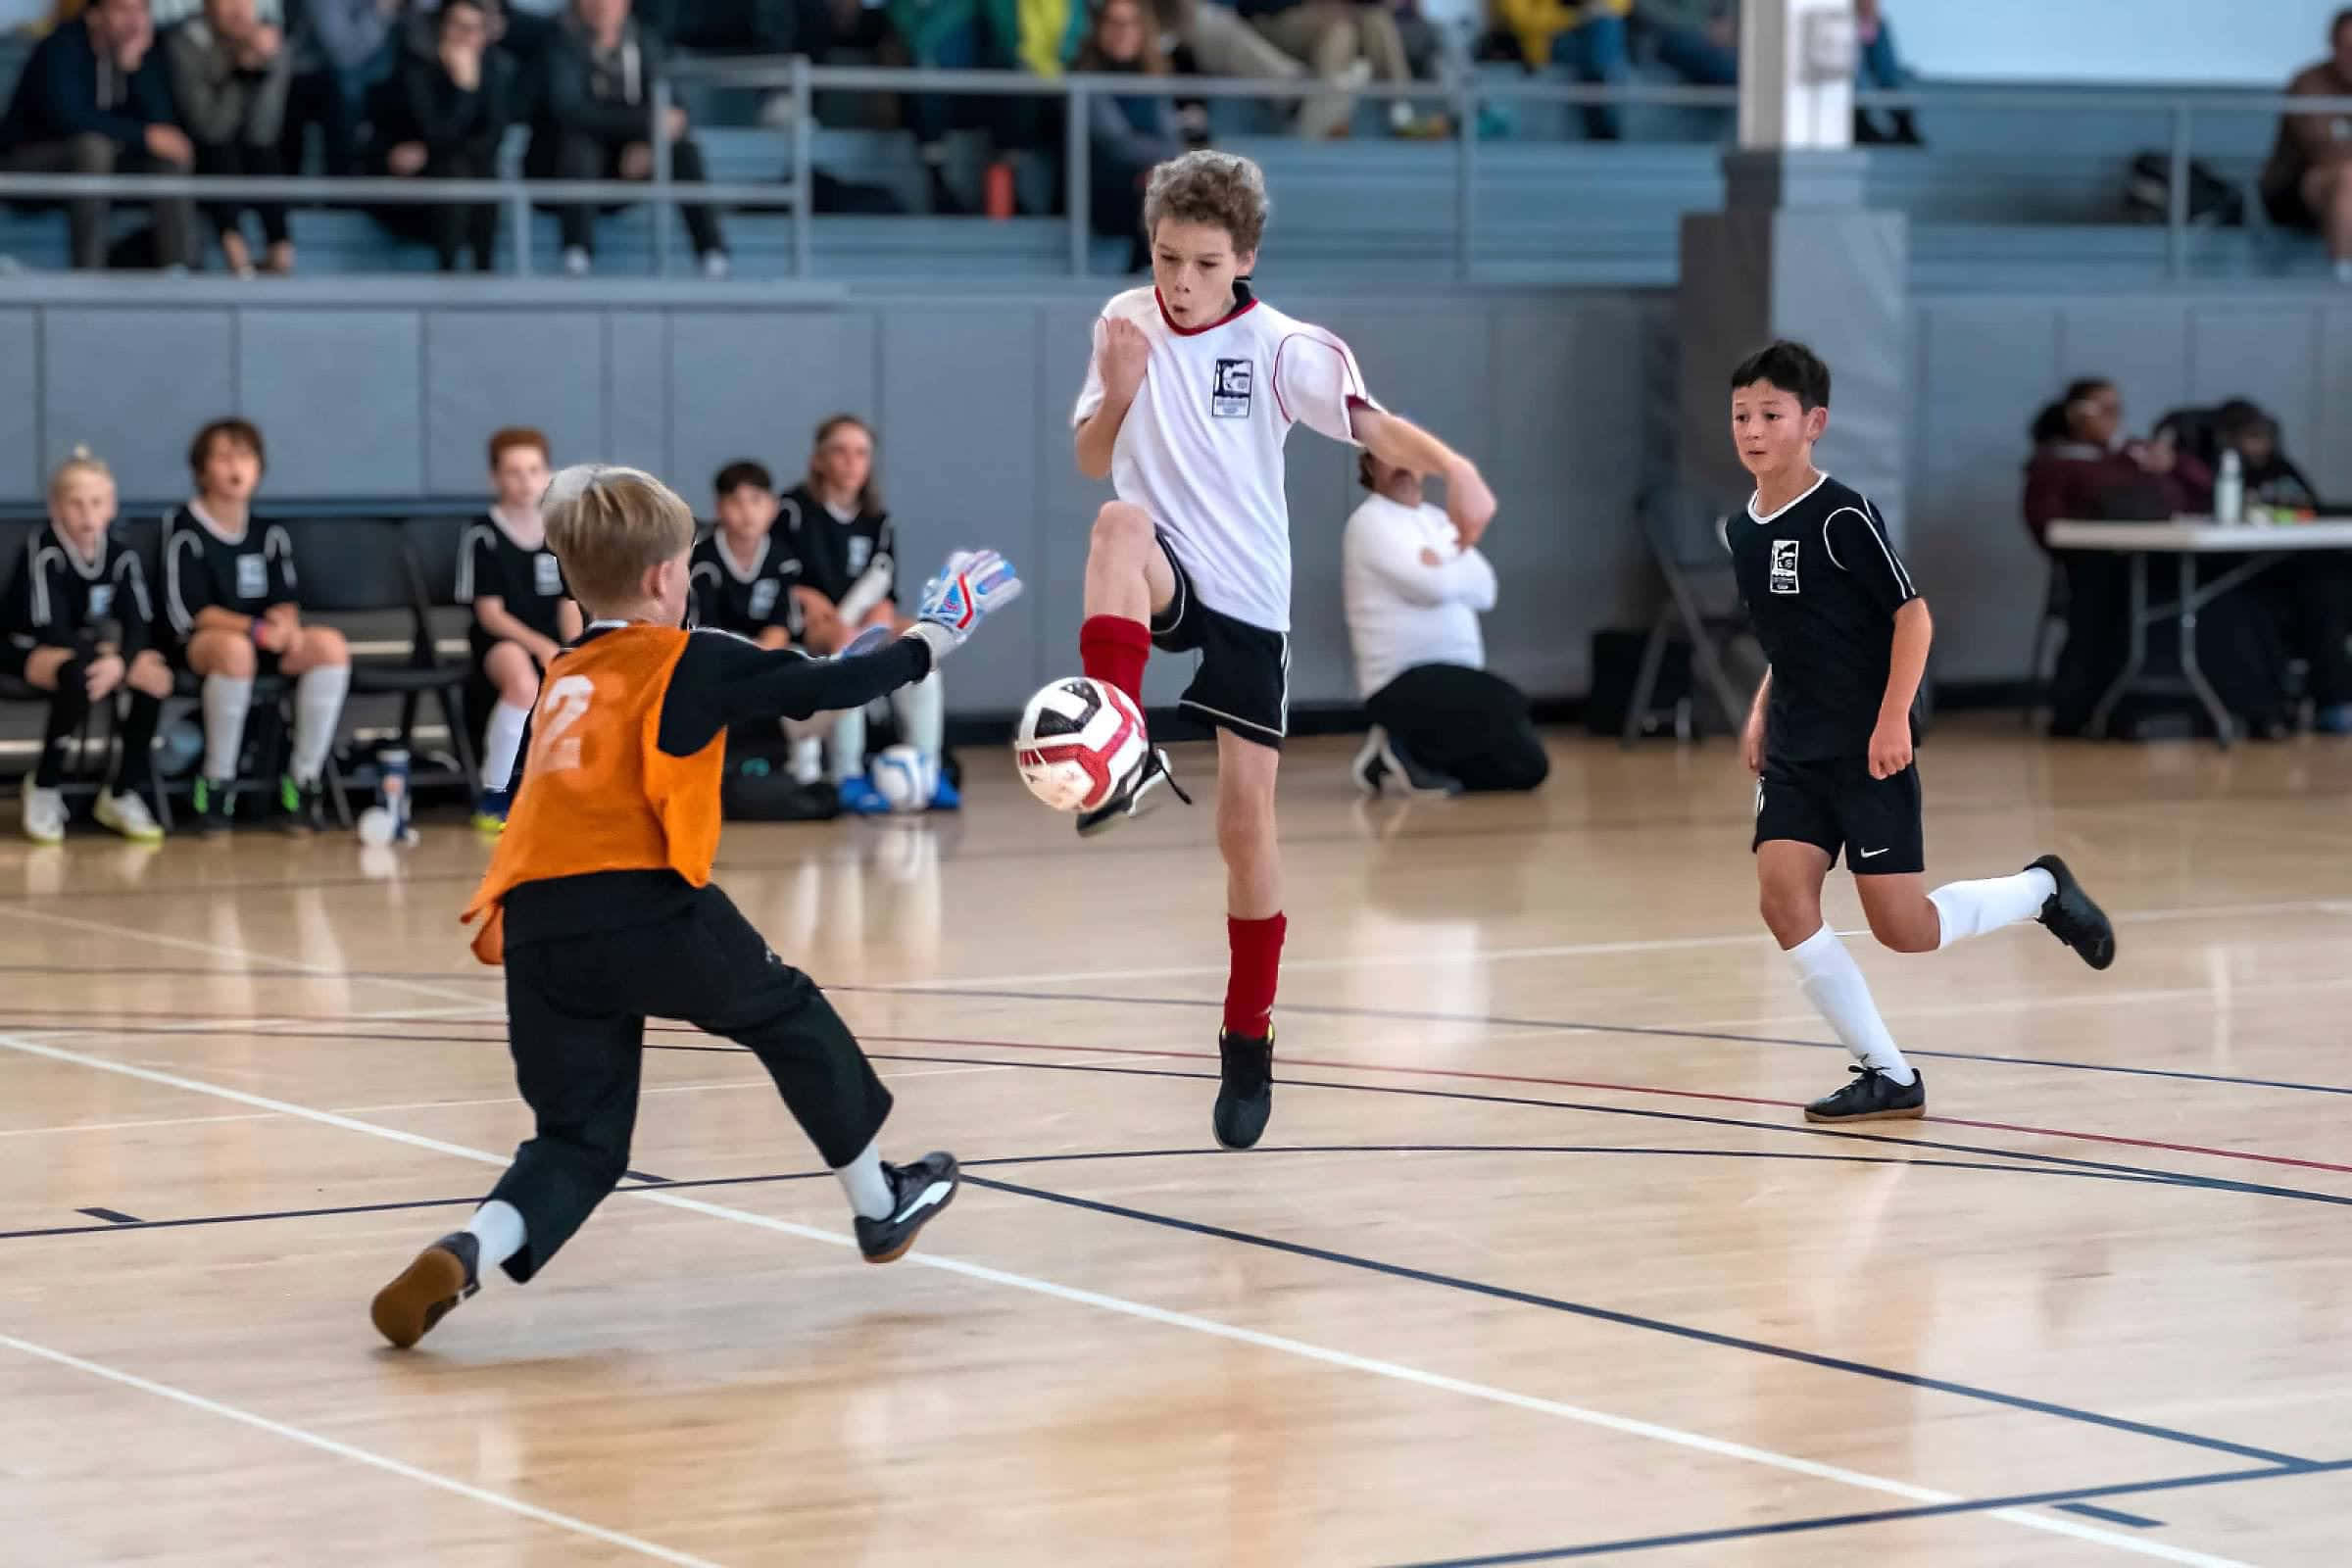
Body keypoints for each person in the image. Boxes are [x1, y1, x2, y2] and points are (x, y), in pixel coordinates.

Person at [367, 466, 1021, 1349]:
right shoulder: (688, 657)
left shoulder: (563, 676)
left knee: (580, 1142)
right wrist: (933, 636)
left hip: (536, 927)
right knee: (790, 1014)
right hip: (645, 903)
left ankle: (468, 1248)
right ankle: (878, 1203)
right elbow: (827, 685)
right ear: (662, 580)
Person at [1068, 149, 1495, 1149]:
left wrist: (1457, 464)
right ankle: (1115, 740)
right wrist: (1122, 392)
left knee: (1244, 825)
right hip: (1165, 566)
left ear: (1244, 257)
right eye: (1168, 257)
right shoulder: (1122, 323)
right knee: (1115, 526)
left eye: (1204, 263)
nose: (1180, 281)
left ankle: (1248, 1035)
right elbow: (1092, 457)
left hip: (1249, 598)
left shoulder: (1285, 347)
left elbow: (1374, 427)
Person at [1727, 341, 2114, 1124]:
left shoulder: (1842, 515)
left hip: (1868, 745)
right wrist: (1764, 706)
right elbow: (1790, 636)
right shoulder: (1742, 528)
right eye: (1741, 416)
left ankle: (2041, 891)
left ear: (1814, 423)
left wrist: (1894, 714)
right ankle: (1886, 1072)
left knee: (1904, 929)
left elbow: (1913, 615)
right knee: (1783, 901)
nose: (1754, 430)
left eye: (1772, 414)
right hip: (1799, 749)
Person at [161, 416, 351, 836]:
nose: (236, 465)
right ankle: (217, 782)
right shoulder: (183, 529)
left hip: (263, 639)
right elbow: (191, 611)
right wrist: (256, 630)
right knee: (236, 651)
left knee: (329, 647)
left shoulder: (269, 534)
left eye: (245, 455)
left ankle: (302, 781)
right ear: (202, 469)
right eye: (224, 455)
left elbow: (284, 598)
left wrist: (285, 626)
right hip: (205, 645)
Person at [1343, 449, 1545, 797]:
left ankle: (1398, 750)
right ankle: (1407, 749)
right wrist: (1452, 563)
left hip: (1457, 681)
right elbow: (1430, 587)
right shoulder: (1369, 522)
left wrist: (1438, 563)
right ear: (1371, 466)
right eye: (1390, 455)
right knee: (1508, 703)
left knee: (1528, 767)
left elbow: (1486, 589)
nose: (1404, 465)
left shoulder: (1436, 519)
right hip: (1399, 682)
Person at [782, 415, 956, 812]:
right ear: (819, 460)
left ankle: (927, 767)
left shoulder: (877, 520)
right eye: (840, 452)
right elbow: (786, 582)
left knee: (920, 644)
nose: (850, 462)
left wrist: (877, 626)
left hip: (860, 623)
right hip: (812, 627)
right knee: (849, 649)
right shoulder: (793, 510)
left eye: (861, 453)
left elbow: (885, 594)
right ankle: (847, 773)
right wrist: (818, 605)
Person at [1, 447, 169, 845]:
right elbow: (49, 629)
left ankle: (123, 791)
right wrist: (108, 659)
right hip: (23, 646)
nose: (87, 514)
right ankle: (44, 784)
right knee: (77, 672)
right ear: (56, 507)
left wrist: (123, 662)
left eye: (96, 503)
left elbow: (139, 625)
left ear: (111, 506)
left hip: (97, 652)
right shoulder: (43, 552)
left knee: (154, 676)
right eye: (75, 504)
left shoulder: (121, 555)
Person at [532, 0, 728, 277]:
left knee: (683, 150)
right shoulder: (560, 42)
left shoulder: (644, 42)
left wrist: (650, 142)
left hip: (629, 163)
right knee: (580, 145)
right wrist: (648, 124)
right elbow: (571, 110)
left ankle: (712, 252)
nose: (602, 6)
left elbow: (673, 109)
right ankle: (576, 251)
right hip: (568, 169)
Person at [0, 0, 195, 270]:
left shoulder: (146, 49)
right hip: (29, 164)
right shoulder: (62, 45)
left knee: (167, 157)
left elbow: (163, 126)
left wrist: (135, 70)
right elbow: (68, 117)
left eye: (141, 10)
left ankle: (181, 269)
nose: (134, 20)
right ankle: (90, 272)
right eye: (123, 10)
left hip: (104, 167)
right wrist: (143, 135)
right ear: (94, 16)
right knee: (93, 147)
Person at [459, 426, 580, 831]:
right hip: (502, 639)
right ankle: (494, 794)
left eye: (533, 470)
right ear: (495, 478)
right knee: (523, 683)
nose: (525, 481)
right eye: (513, 472)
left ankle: (569, 790)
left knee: (584, 679)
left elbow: (568, 603)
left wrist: (579, 647)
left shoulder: (559, 532)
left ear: (548, 474)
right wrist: (541, 646)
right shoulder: (482, 534)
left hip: (548, 638)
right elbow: (490, 614)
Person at [692, 460, 840, 789]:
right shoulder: (703, 559)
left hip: (764, 653)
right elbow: (706, 630)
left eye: (756, 501)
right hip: (720, 655)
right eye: (735, 501)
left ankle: (808, 767)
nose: (746, 512)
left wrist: (763, 655)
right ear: (719, 508)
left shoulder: (782, 560)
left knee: (802, 667)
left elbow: (780, 626)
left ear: (772, 508)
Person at [372, 0, 515, 271]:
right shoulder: (418, 69)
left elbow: (492, 139)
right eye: (458, 26)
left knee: (480, 170)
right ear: (442, 28)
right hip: (414, 193)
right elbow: (436, 131)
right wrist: (464, 91)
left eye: (473, 29)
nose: (465, 37)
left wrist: (468, 90)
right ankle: (448, 272)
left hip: (465, 178)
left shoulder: (494, 69)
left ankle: (484, 270)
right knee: (456, 169)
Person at [166, 0, 294, 276]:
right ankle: (237, 256)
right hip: (200, 153)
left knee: (265, 154)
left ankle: (281, 254)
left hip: (252, 152)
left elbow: (264, 129)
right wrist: (239, 73)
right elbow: (210, 126)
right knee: (220, 152)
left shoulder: (269, 42)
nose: (239, 9)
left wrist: (263, 67)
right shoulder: (186, 43)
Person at [1076, 0, 1184, 274]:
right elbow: (1116, 142)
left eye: (1132, 23)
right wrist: (1159, 164)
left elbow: (1172, 139)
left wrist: (1158, 166)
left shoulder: (1153, 76)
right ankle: (1147, 270)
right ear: (1099, 28)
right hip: (1103, 186)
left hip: (1152, 181)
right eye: (1115, 23)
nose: (1123, 31)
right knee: (1158, 189)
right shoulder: (1086, 76)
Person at [2260, 7, 2352, 283]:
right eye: (2348, 47)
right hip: (2297, 188)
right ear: (2333, 46)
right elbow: (2324, 151)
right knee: (2348, 176)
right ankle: (2344, 279)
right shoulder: (2309, 83)